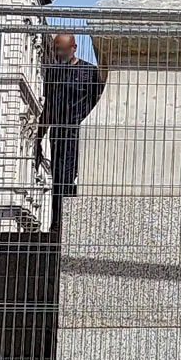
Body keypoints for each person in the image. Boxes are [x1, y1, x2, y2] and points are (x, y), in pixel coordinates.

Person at [36, 32, 104, 228]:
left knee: (71, 179)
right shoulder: (53, 73)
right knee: (58, 181)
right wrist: (39, 137)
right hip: (58, 134)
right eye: (56, 50)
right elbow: (48, 107)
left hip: (79, 134)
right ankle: (57, 223)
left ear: (74, 48)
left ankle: (71, 222)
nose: (58, 53)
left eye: (62, 50)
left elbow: (97, 104)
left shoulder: (89, 72)